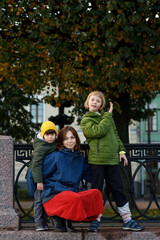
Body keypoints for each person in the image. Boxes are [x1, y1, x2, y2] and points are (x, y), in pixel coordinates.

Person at [80, 91, 145, 231]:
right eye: (92, 99)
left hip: (112, 160)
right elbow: (97, 131)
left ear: (101, 104)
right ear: (88, 102)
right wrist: (108, 115)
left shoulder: (107, 118)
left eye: (98, 100)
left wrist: (121, 151)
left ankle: (127, 220)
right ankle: (95, 219)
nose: (95, 102)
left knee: (118, 189)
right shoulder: (86, 119)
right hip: (97, 161)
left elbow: (115, 135)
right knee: (96, 191)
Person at [41, 126, 104, 232]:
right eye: (66, 139)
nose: (70, 141)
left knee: (95, 193)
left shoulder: (80, 158)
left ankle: (68, 218)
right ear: (61, 141)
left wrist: (104, 168)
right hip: (54, 194)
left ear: (76, 139)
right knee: (73, 197)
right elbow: (41, 173)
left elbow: (89, 176)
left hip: (72, 192)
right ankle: (56, 216)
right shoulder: (56, 156)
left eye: (72, 137)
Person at [26, 120, 57, 231]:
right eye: (47, 134)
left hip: (46, 176)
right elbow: (36, 165)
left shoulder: (53, 144)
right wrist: (39, 181)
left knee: (45, 199)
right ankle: (39, 223)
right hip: (36, 177)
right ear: (43, 135)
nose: (50, 137)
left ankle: (44, 222)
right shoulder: (40, 147)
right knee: (39, 200)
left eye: (52, 134)